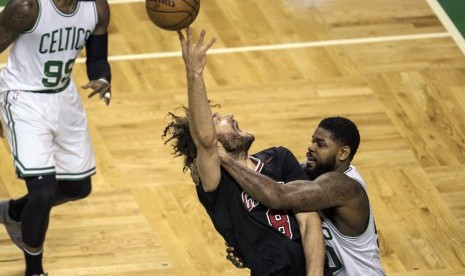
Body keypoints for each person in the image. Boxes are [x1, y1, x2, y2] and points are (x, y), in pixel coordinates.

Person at [162, 27, 328, 276]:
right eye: (217, 119)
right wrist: (194, 72)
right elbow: (205, 141)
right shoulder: (217, 186)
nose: (229, 115)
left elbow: (309, 221)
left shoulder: (279, 158)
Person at [0, 0, 111, 274]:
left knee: (78, 188)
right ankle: (34, 271)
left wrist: (103, 79)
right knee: (43, 192)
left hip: (63, 97)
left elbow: (97, 59)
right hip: (21, 96)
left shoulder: (97, 8)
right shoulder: (27, 9)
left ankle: (13, 212)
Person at [220, 117, 386, 276]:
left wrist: (225, 160)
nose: (311, 147)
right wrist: (250, 251)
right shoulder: (307, 175)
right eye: (312, 140)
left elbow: (276, 196)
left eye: (320, 144)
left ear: (342, 153)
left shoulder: (344, 186)